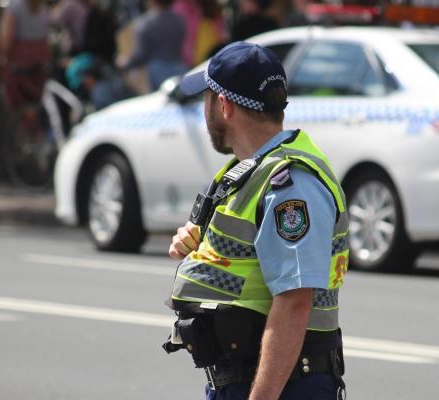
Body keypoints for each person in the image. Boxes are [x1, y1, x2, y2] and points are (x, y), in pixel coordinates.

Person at [164, 42, 349, 400]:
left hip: (283, 386)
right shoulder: (248, 172)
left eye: (206, 99)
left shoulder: (290, 184)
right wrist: (197, 246)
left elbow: (295, 300)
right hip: (243, 378)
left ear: (224, 105)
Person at [116, 0, 186, 91]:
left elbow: (141, 55)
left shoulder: (144, 23)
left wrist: (125, 62)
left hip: (157, 72)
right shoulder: (179, 19)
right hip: (179, 66)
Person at [0, 0, 50, 110]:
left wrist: (4, 55)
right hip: (39, 56)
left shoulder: (15, 6)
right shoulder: (42, 5)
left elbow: (8, 36)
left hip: (20, 58)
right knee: (35, 96)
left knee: (19, 99)